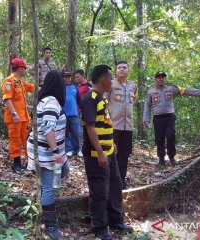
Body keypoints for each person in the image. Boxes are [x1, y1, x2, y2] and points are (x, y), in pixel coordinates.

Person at [81, 65, 133, 240]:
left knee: (114, 186)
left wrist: (111, 145)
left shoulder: (102, 98)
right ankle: (100, 226)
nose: (112, 81)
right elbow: (90, 128)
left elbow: (105, 123)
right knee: (99, 191)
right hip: (97, 156)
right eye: (110, 78)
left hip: (109, 152)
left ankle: (115, 220)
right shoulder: (90, 98)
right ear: (103, 80)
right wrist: (101, 153)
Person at [26, 70, 68, 240]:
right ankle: (50, 226)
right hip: (47, 152)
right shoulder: (51, 102)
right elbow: (48, 128)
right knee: (49, 187)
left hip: (49, 151)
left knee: (64, 170)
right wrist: (56, 151)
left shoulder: (47, 100)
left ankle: (42, 195)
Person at [143, 71, 200, 168]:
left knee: (171, 137)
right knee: (159, 139)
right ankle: (161, 159)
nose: (161, 79)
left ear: (165, 79)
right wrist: (146, 119)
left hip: (170, 117)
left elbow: (186, 90)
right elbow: (147, 106)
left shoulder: (171, 89)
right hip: (158, 118)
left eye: (163, 77)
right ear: (155, 79)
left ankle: (172, 157)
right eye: (158, 77)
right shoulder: (151, 92)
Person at [105, 60, 137, 189]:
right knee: (113, 154)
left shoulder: (132, 86)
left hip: (128, 126)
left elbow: (132, 102)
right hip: (114, 126)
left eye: (124, 67)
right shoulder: (110, 84)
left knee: (125, 154)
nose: (122, 69)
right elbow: (105, 103)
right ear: (116, 71)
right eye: (119, 68)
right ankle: (111, 180)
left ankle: (121, 180)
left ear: (128, 71)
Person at [2, 57, 34, 174]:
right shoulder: (9, 81)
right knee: (15, 140)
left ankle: (29, 162)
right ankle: (16, 164)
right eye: (25, 68)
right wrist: (14, 114)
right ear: (20, 69)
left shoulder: (20, 82)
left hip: (24, 118)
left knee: (27, 140)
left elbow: (32, 87)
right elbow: (7, 99)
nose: (25, 71)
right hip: (14, 118)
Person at [63, 71, 83, 158]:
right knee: (66, 133)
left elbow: (79, 101)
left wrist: (84, 110)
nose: (67, 79)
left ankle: (78, 149)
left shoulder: (74, 88)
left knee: (76, 132)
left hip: (74, 113)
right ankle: (69, 149)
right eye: (65, 77)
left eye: (68, 77)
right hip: (63, 114)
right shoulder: (60, 88)